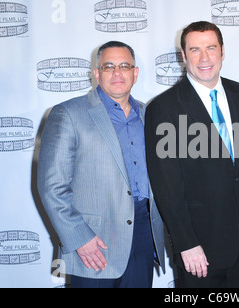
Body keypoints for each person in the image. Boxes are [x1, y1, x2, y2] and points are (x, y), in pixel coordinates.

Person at [37, 41, 165, 288]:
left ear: (135, 73)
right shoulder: (68, 114)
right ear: (96, 74)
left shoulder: (150, 115)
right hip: (94, 241)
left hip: (143, 235)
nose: (118, 73)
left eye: (125, 66)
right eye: (109, 66)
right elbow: (52, 186)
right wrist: (79, 237)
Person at [145, 21, 239, 288]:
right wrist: (185, 243)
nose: (204, 58)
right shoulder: (164, 108)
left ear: (222, 51)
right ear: (183, 56)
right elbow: (166, 186)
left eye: (211, 48)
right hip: (200, 251)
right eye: (195, 50)